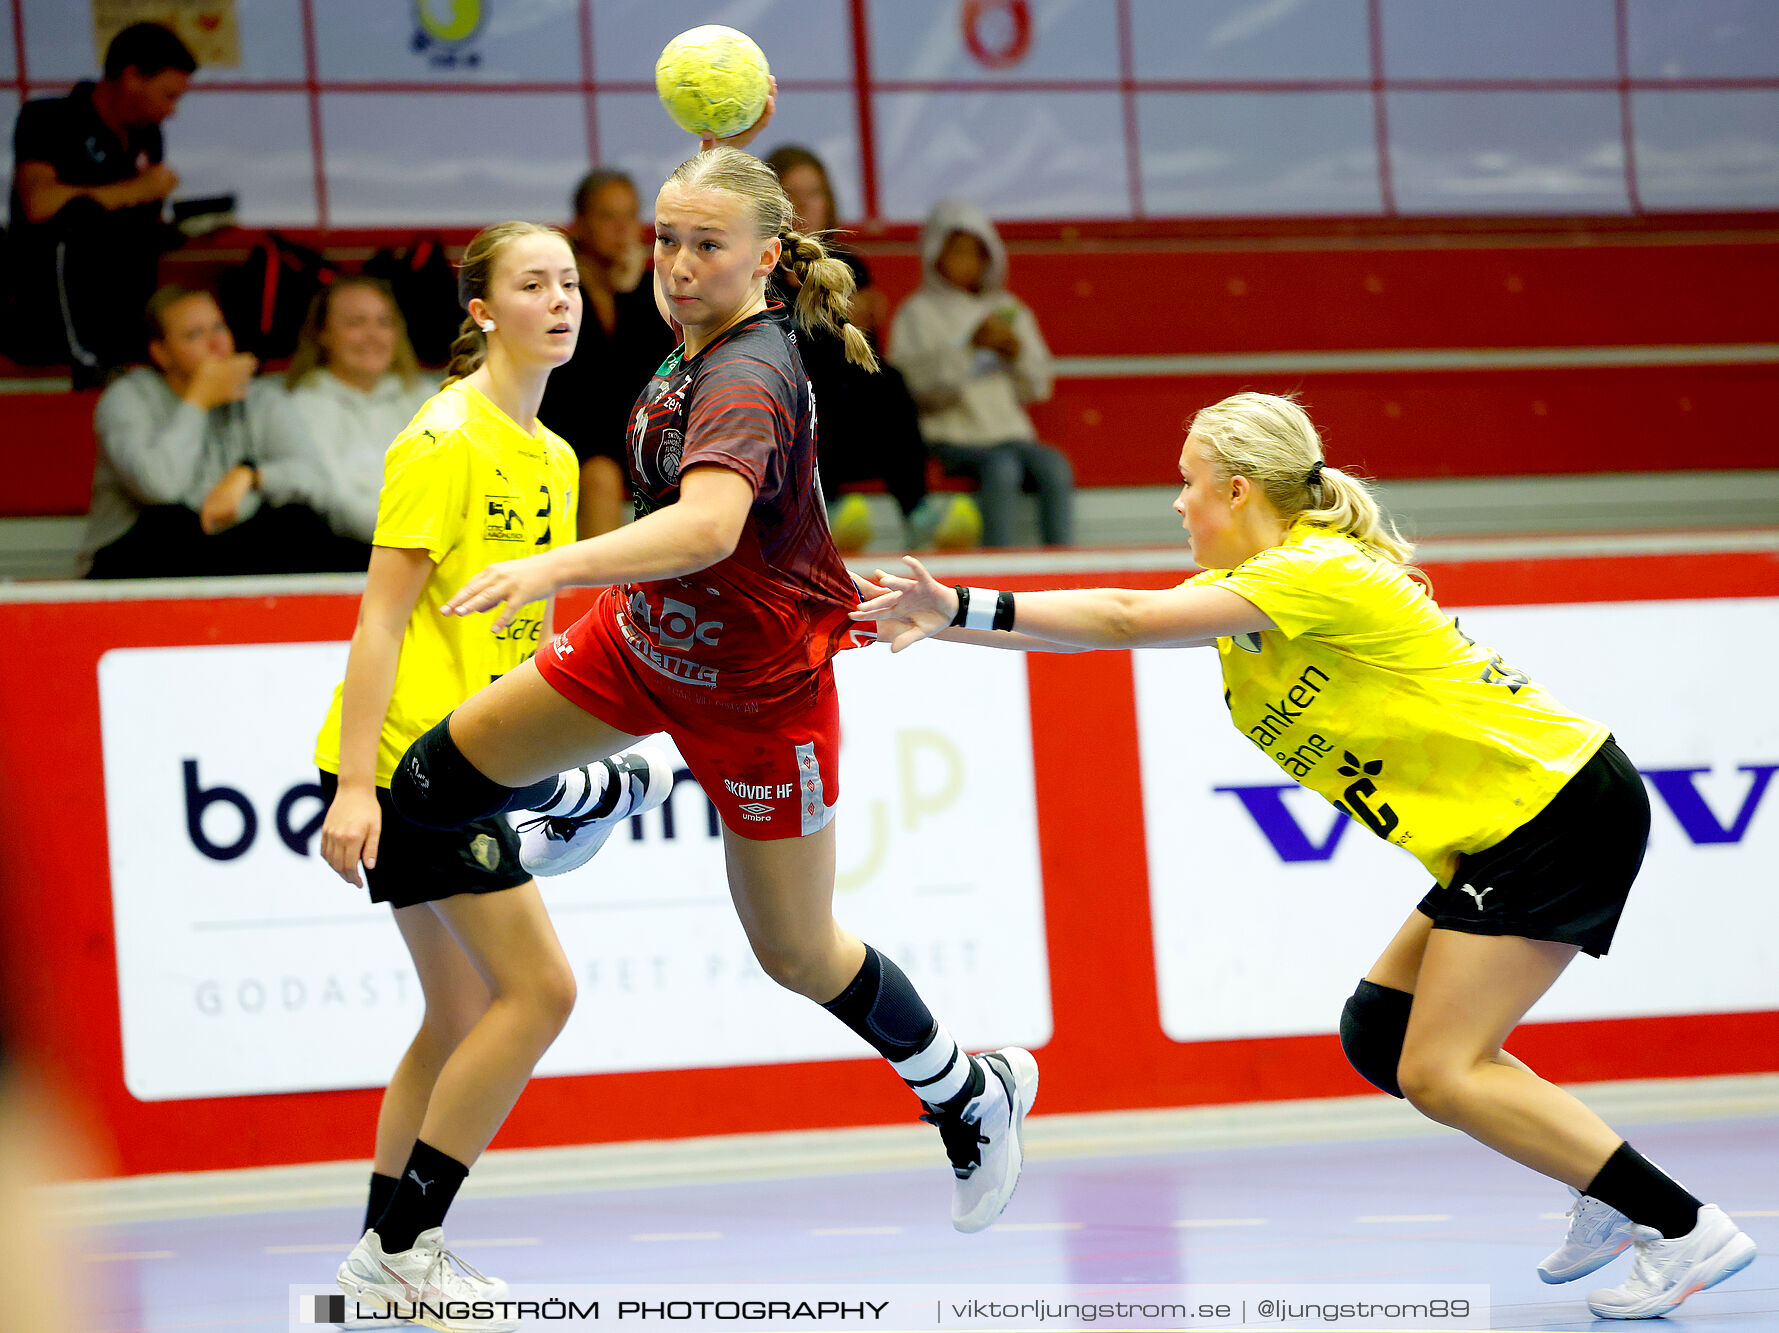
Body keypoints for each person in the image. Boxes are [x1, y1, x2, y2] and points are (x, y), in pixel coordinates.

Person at [854, 391, 1758, 1321]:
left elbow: (1125, 615)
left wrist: (959, 599)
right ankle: (1612, 1195)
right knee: (1383, 1032)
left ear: (1238, 489)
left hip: (1553, 812)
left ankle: (1681, 1226)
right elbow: (1099, 631)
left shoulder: (1312, 571)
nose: (1176, 503)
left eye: (1187, 483)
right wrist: (937, 619)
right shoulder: (1264, 603)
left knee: (1440, 1069)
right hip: (1512, 826)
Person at [383, 146, 1039, 1239]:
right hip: (642, 644)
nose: (678, 265)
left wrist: (552, 567)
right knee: (430, 786)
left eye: (707, 246)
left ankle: (964, 1092)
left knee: (794, 951)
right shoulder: (695, 336)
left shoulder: (749, 372)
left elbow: (708, 527)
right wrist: (724, 134)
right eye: (665, 240)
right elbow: (716, 192)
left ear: (768, 260)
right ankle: (602, 784)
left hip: (760, 691)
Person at [318, 220, 670, 1333]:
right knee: (542, 991)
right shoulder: (441, 440)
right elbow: (379, 621)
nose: (559, 300)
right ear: (480, 311)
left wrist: (566, 764)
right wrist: (355, 790)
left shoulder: (557, 456)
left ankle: (386, 1257)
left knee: (460, 1005)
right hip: (412, 765)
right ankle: (406, 1250)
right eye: (532, 284)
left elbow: (529, 644)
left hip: (477, 755)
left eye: (569, 282)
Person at [764, 146, 978, 554]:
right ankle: (825, 509)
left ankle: (917, 512)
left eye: (815, 192)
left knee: (888, 380)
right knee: (813, 389)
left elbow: (862, 352)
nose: (805, 204)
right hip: (791, 401)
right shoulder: (760, 265)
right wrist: (823, 311)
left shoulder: (850, 264)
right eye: (793, 193)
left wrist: (857, 322)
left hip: (848, 407)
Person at [83, 285, 352, 579]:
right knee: (170, 521)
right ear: (161, 354)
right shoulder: (127, 399)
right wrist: (198, 399)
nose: (216, 344)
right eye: (195, 335)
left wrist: (250, 476)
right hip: (142, 554)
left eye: (219, 327)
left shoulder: (262, 398)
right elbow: (160, 486)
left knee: (301, 523)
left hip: (231, 545)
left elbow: (317, 482)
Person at [7, 21, 194, 383]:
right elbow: (40, 204)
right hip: (52, 311)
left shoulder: (147, 134)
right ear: (131, 77)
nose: (172, 111)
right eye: (168, 96)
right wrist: (133, 191)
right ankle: (86, 358)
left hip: (124, 310)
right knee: (71, 227)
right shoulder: (49, 119)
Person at [888, 200, 1072, 548]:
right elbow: (916, 390)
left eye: (977, 254)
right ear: (935, 253)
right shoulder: (917, 312)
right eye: (957, 252)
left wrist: (1018, 355)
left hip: (1010, 435)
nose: (967, 263)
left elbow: (1038, 386)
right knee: (1002, 470)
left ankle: (1063, 561)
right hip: (950, 438)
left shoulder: (1007, 309)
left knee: (1055, 467)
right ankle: (998, 568)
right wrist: (970, 348)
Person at [538, 168, 675, 540]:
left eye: (630, 215)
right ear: (580, 224)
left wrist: (633, 293)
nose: (622, 228)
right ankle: (604, 595)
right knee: (600, 473)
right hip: (570, 439)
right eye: (607, 216)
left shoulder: (653, 292)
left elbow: (655, 381)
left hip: (637, 437)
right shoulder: (558, 293)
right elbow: (580, 392)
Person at [267, 275, 437, 547]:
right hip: (352, 555)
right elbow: (336, 502)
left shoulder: (429, 398)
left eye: (384, 322)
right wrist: (414, 538)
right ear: (323, 333)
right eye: (356, 323)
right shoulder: (300, 407)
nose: (373, 335)